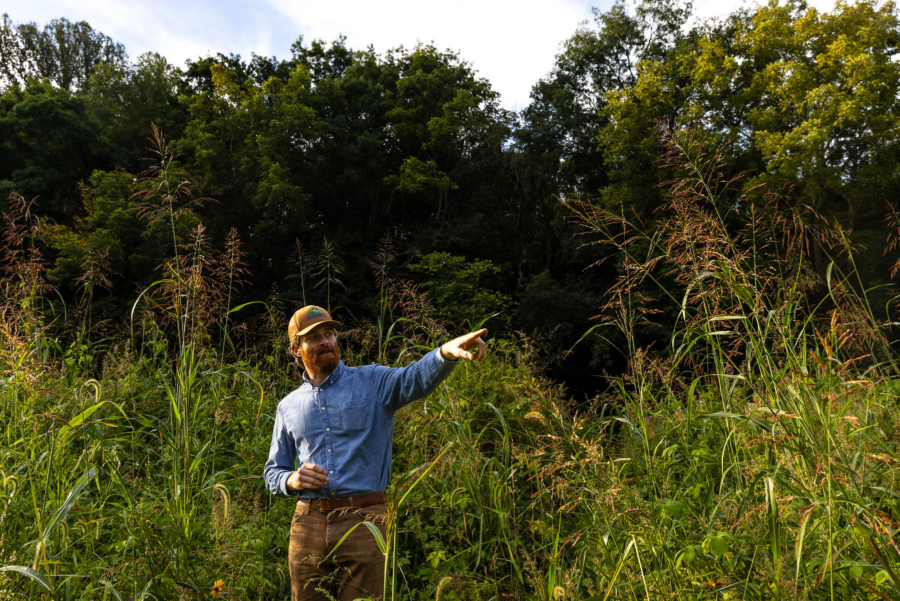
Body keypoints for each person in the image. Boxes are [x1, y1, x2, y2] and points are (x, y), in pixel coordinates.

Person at [263, 305, 487, 601]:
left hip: (365, 522)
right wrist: (291, 480)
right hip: (308, 526)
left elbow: (415, 378)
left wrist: (445, 352)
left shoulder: (373, 382)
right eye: (314, 337)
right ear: (295, 349)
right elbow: (272, 473)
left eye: (329, 333)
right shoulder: (288, 406)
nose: (325, 341)